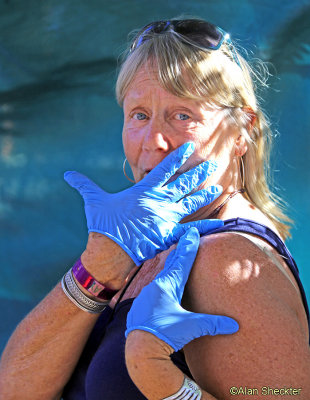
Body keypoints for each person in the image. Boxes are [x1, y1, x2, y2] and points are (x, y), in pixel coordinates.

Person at [0, 17, 309, 400]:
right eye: (140, 115)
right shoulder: (141, 241)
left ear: (243, 131)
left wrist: (161, 379)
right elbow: (15, 389)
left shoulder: (228, 258)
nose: (154, 141)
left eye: (183, 115)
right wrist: (97, 268)